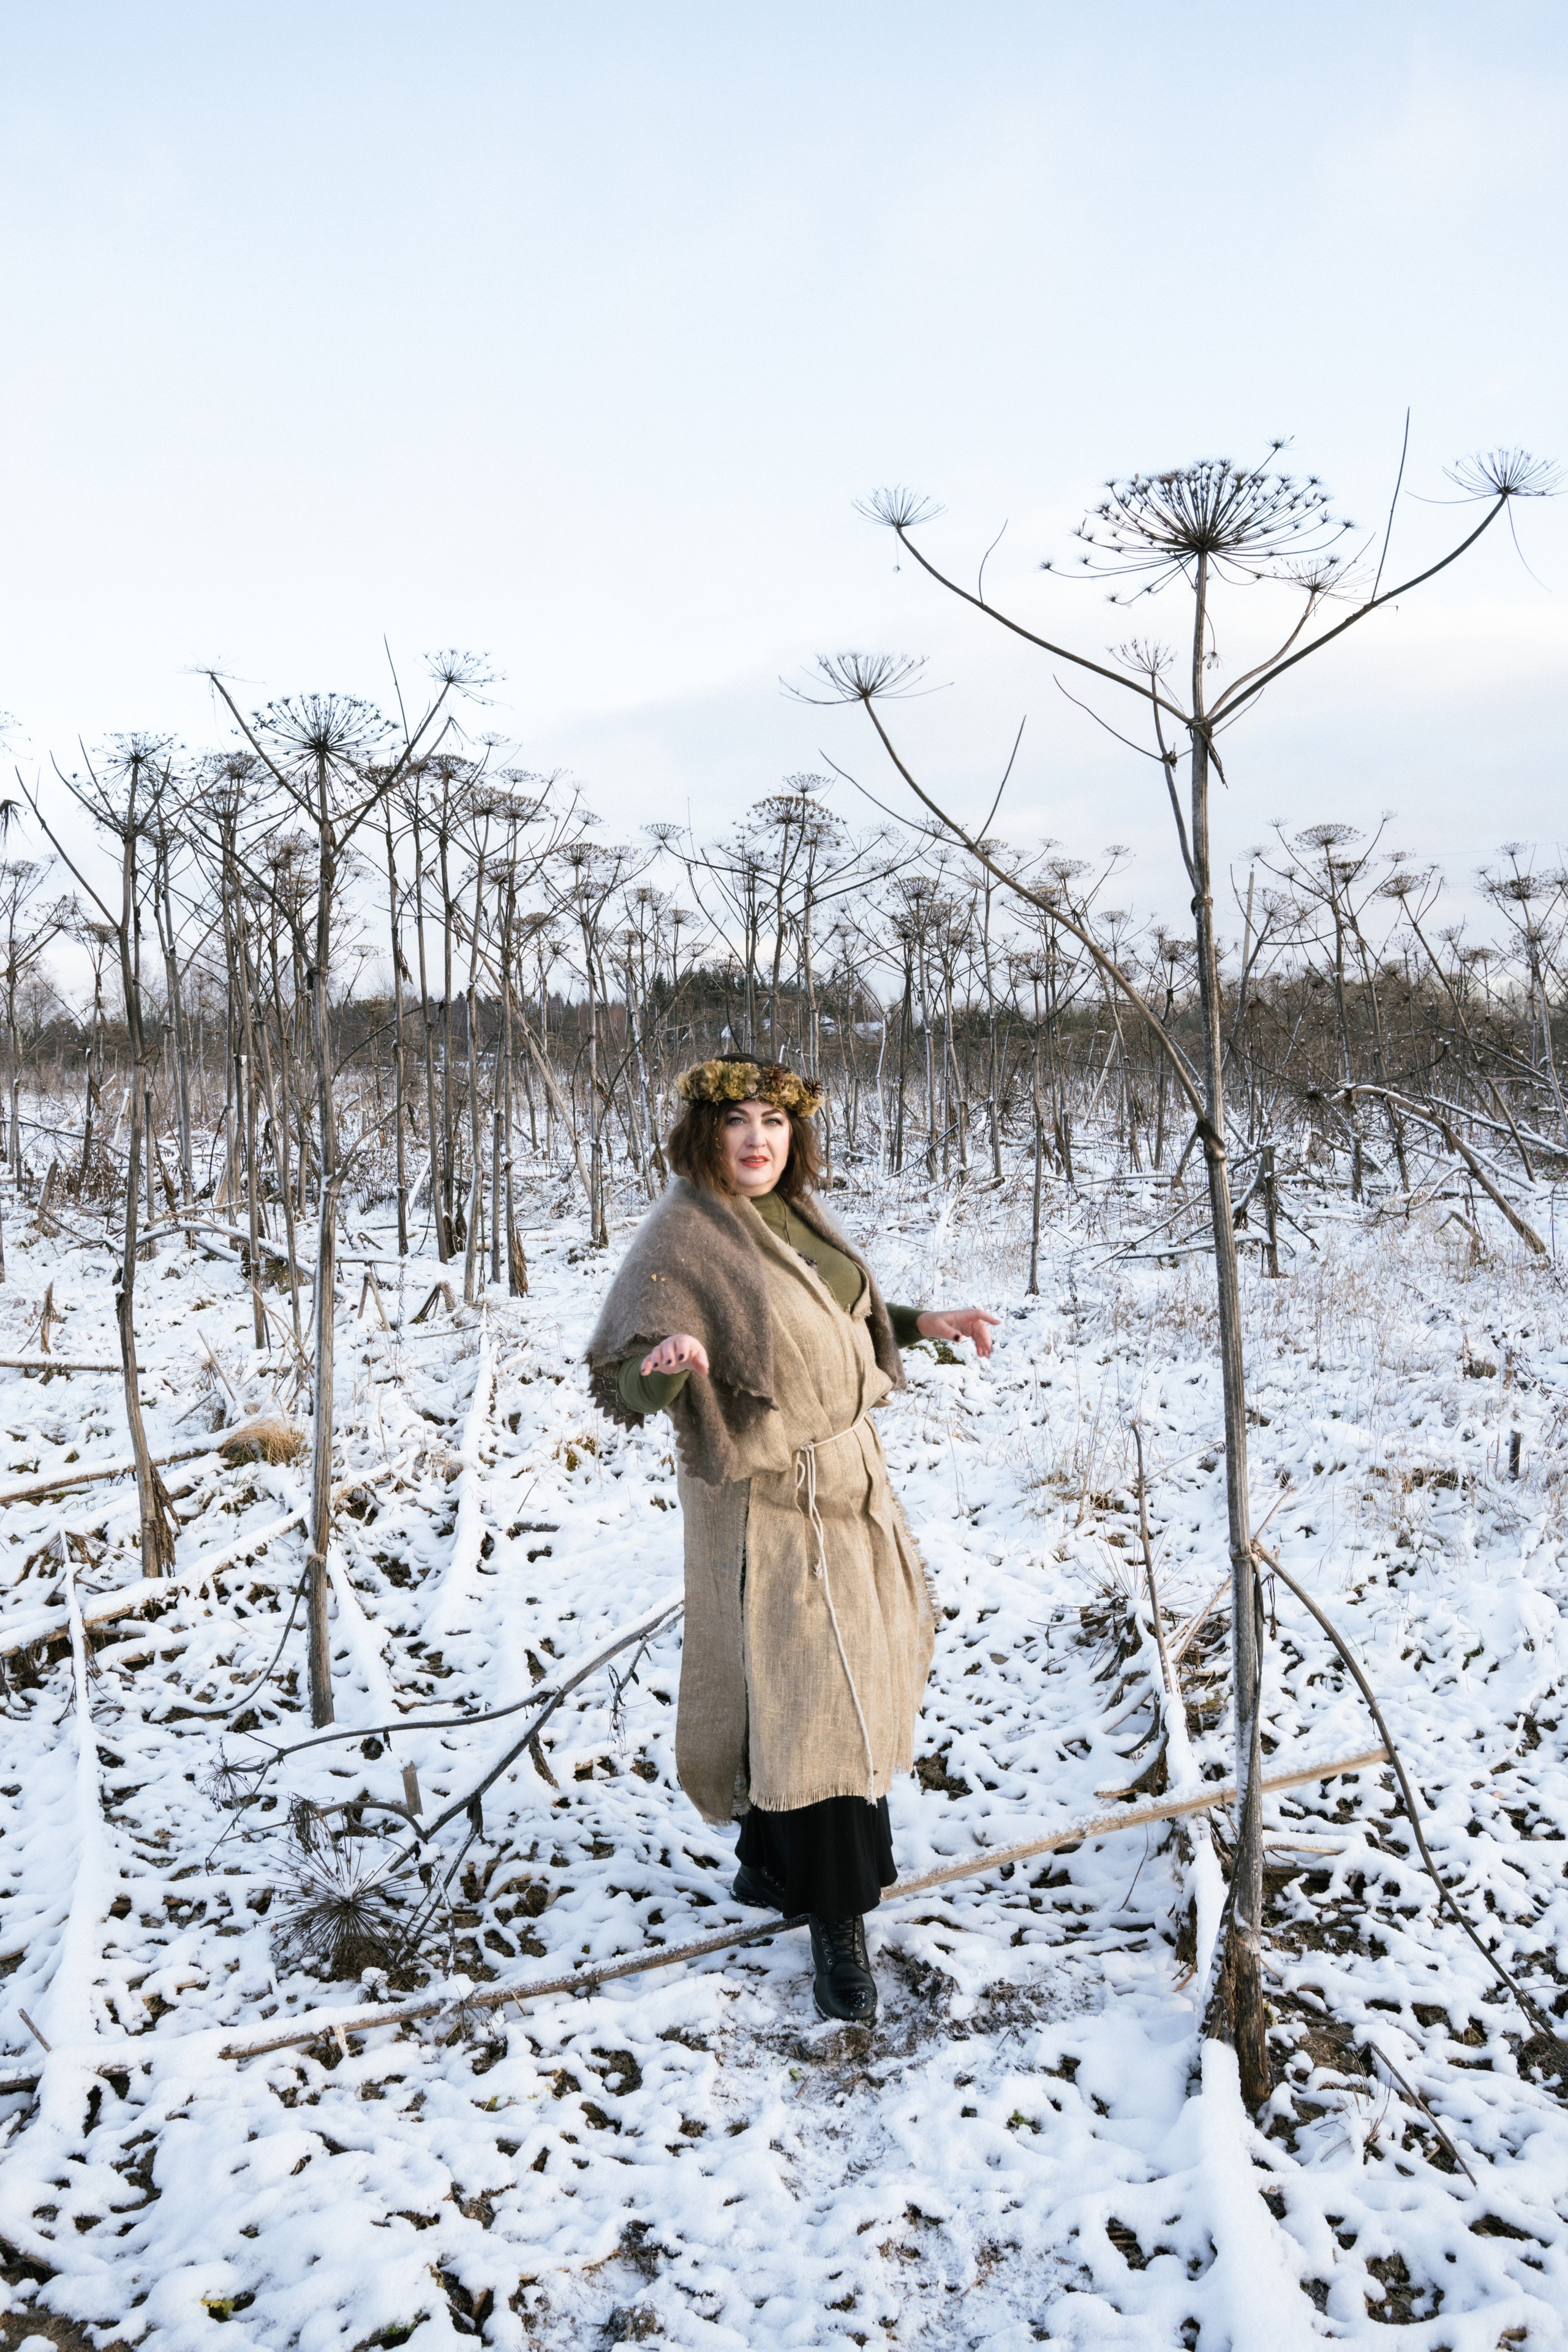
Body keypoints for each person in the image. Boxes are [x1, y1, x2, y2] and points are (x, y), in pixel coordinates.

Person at [587, 1057, 997, 2024]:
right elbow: (623, 1377)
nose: (757, 1139)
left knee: (829, 1684)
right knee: (818, 1704)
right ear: (705, 1134)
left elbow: (839, 1320)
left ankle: (771, 1869)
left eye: (773, 1120)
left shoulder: (800, 1215)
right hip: (769, 1502)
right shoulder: (685, 1233)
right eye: (737, 1122)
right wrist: (666, 1363)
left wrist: (924, 1322)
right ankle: (838, 1927)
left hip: (849, 1485)